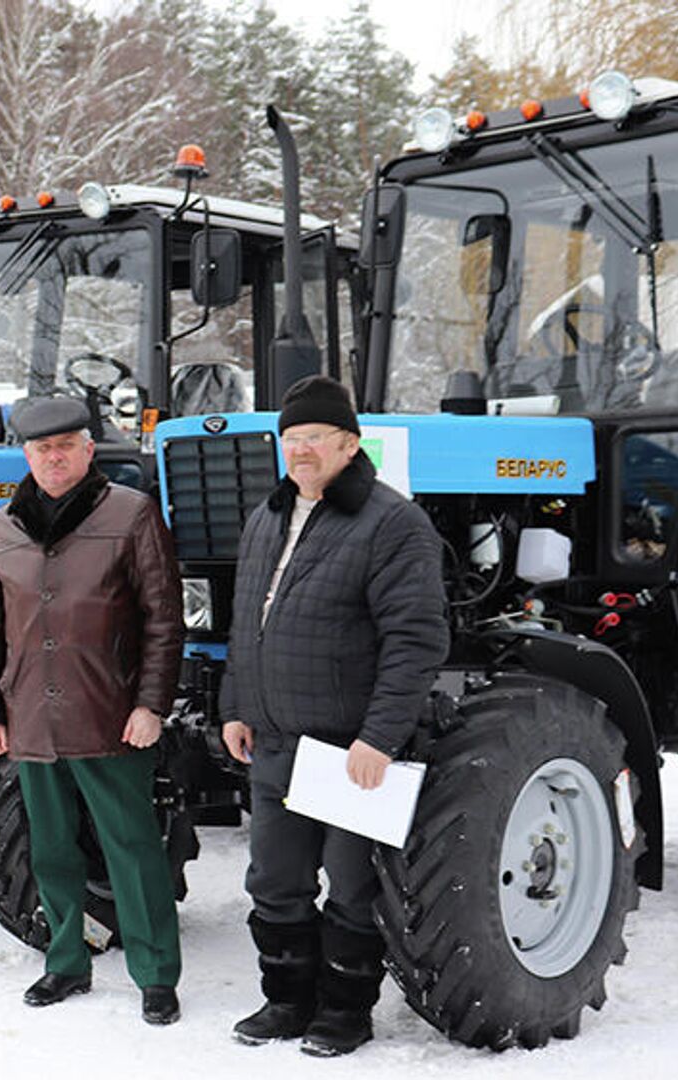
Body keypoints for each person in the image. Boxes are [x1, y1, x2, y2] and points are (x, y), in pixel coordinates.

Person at [219, 375, 448, 1057]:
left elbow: (416, 640)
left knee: (352, 886)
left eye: (315, 437)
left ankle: (345, 1012)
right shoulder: (265, 518)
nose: (301, 451)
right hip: (275, 739)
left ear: (351, 443)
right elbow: (245, 626)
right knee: (275, 882)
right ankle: (286, 1001)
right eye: (290, 439)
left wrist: (379, 736)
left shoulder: (393, 522)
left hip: (350, 750)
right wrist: (235, 705)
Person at [0, 396, 186, 1022]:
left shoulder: (131, 514)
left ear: (89, 450)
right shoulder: (3, 528)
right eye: (41, 449)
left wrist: (151, 706)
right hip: (31, 715)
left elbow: (163, 623)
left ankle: (156, 974)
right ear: (26, 456)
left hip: (109, 714)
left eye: (65, 446)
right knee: (51, 850)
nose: (53, 458)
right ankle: (65, 962)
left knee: (132, 849)